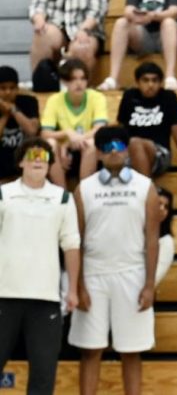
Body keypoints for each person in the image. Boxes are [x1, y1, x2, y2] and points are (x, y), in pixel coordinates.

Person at [69, 126, 159, 395]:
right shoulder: (83, 189)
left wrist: (149, 284)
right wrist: (79, 286)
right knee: (90, 350)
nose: (113, 151)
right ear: (97, 153)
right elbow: (77, 241)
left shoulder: (145, 187)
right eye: (107, 146)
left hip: (132, 275)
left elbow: (152, 240)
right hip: (94, 276)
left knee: (131, 352)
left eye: (119, 145)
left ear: (126, 149)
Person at [0, 138, 81, 395]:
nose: (38, 160)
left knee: (44, 374)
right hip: (4, 295)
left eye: (44, 156)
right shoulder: (3, 194)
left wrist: (73, 290)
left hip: (45, 299)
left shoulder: (63, 198)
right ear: (21, 161)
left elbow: (71, 245)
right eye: (32, 155)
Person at [117, 61, 177, 179]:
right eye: (145, 80)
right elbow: (121, 129)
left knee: (135, 142)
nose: (150, 85)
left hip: (161, 153)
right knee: (132, 145)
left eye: (154, 80)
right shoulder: (129, 96)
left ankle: (145, 190)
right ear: (138, 82)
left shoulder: (168, 97)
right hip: (130, 153)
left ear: (160, 83)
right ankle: (147, 189)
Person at [41, 58, 108, 182]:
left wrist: (75, 140)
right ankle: (62, 195)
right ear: (64, 81)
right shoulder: (54, 100)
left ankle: (83, 193)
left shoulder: (97, 97)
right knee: (50, 143)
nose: (79, 83)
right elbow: (45, 133)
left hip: (88, 150)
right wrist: (67, 133)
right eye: (73, 79)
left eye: (83, 78)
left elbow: (100, 128)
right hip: (62, 154)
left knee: (91, 144)